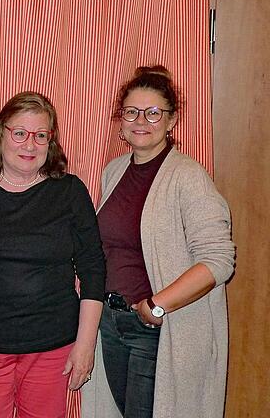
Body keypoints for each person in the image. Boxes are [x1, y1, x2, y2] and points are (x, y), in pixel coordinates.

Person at [82, 65, 235, 418]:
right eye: (131, 112)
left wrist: (157, 306)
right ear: (120, 120)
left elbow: (218, 260)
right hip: (112, 321)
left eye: (153, 113)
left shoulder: (188, 177)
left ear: (172, 121)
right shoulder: (114, 170)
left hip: (155, 329)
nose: (141, 121)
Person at [0, 92, 106, 418]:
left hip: (52, 345)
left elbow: (92, 268)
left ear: (51, 142)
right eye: (20, 134)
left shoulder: (69, 191)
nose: (30, 145)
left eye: (40, 136)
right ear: (1, 134)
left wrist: (85, 345)